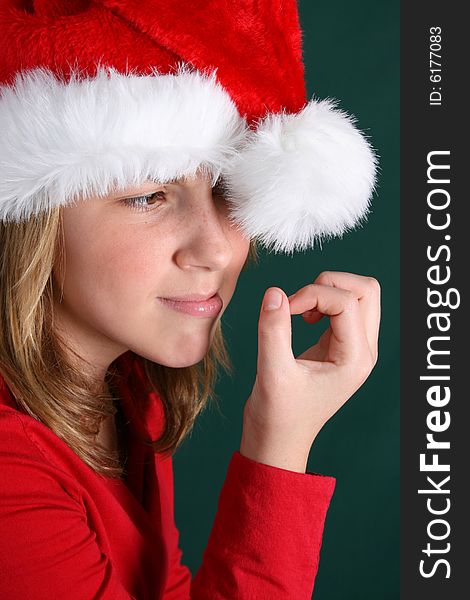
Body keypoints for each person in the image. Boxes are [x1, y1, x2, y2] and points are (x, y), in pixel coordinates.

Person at [0, 1, 380, 598]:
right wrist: (278, 450)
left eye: (227, 189)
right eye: (149, 196)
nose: (218, 251)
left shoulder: (126, 387)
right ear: (35, 216)